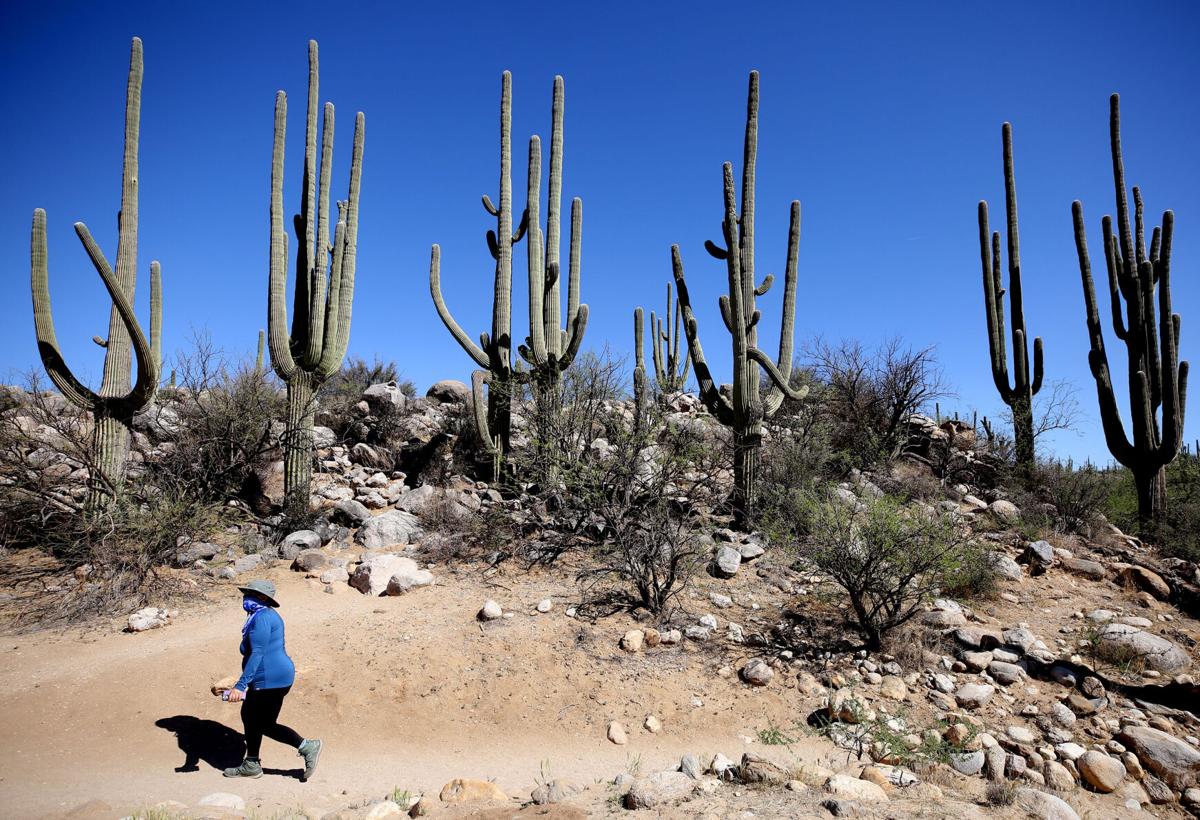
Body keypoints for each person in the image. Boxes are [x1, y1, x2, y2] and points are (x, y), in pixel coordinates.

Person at [222, 579, 323, 781]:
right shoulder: (259, 616)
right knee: (251, 717)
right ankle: (251, 763)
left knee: (262, 723)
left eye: (250, 593)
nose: (245, 597)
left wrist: (240, 686)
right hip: (271, 677)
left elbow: (257, 653)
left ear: (263, 597)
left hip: (270, 678)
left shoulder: (263, 618)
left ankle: (307, 746)